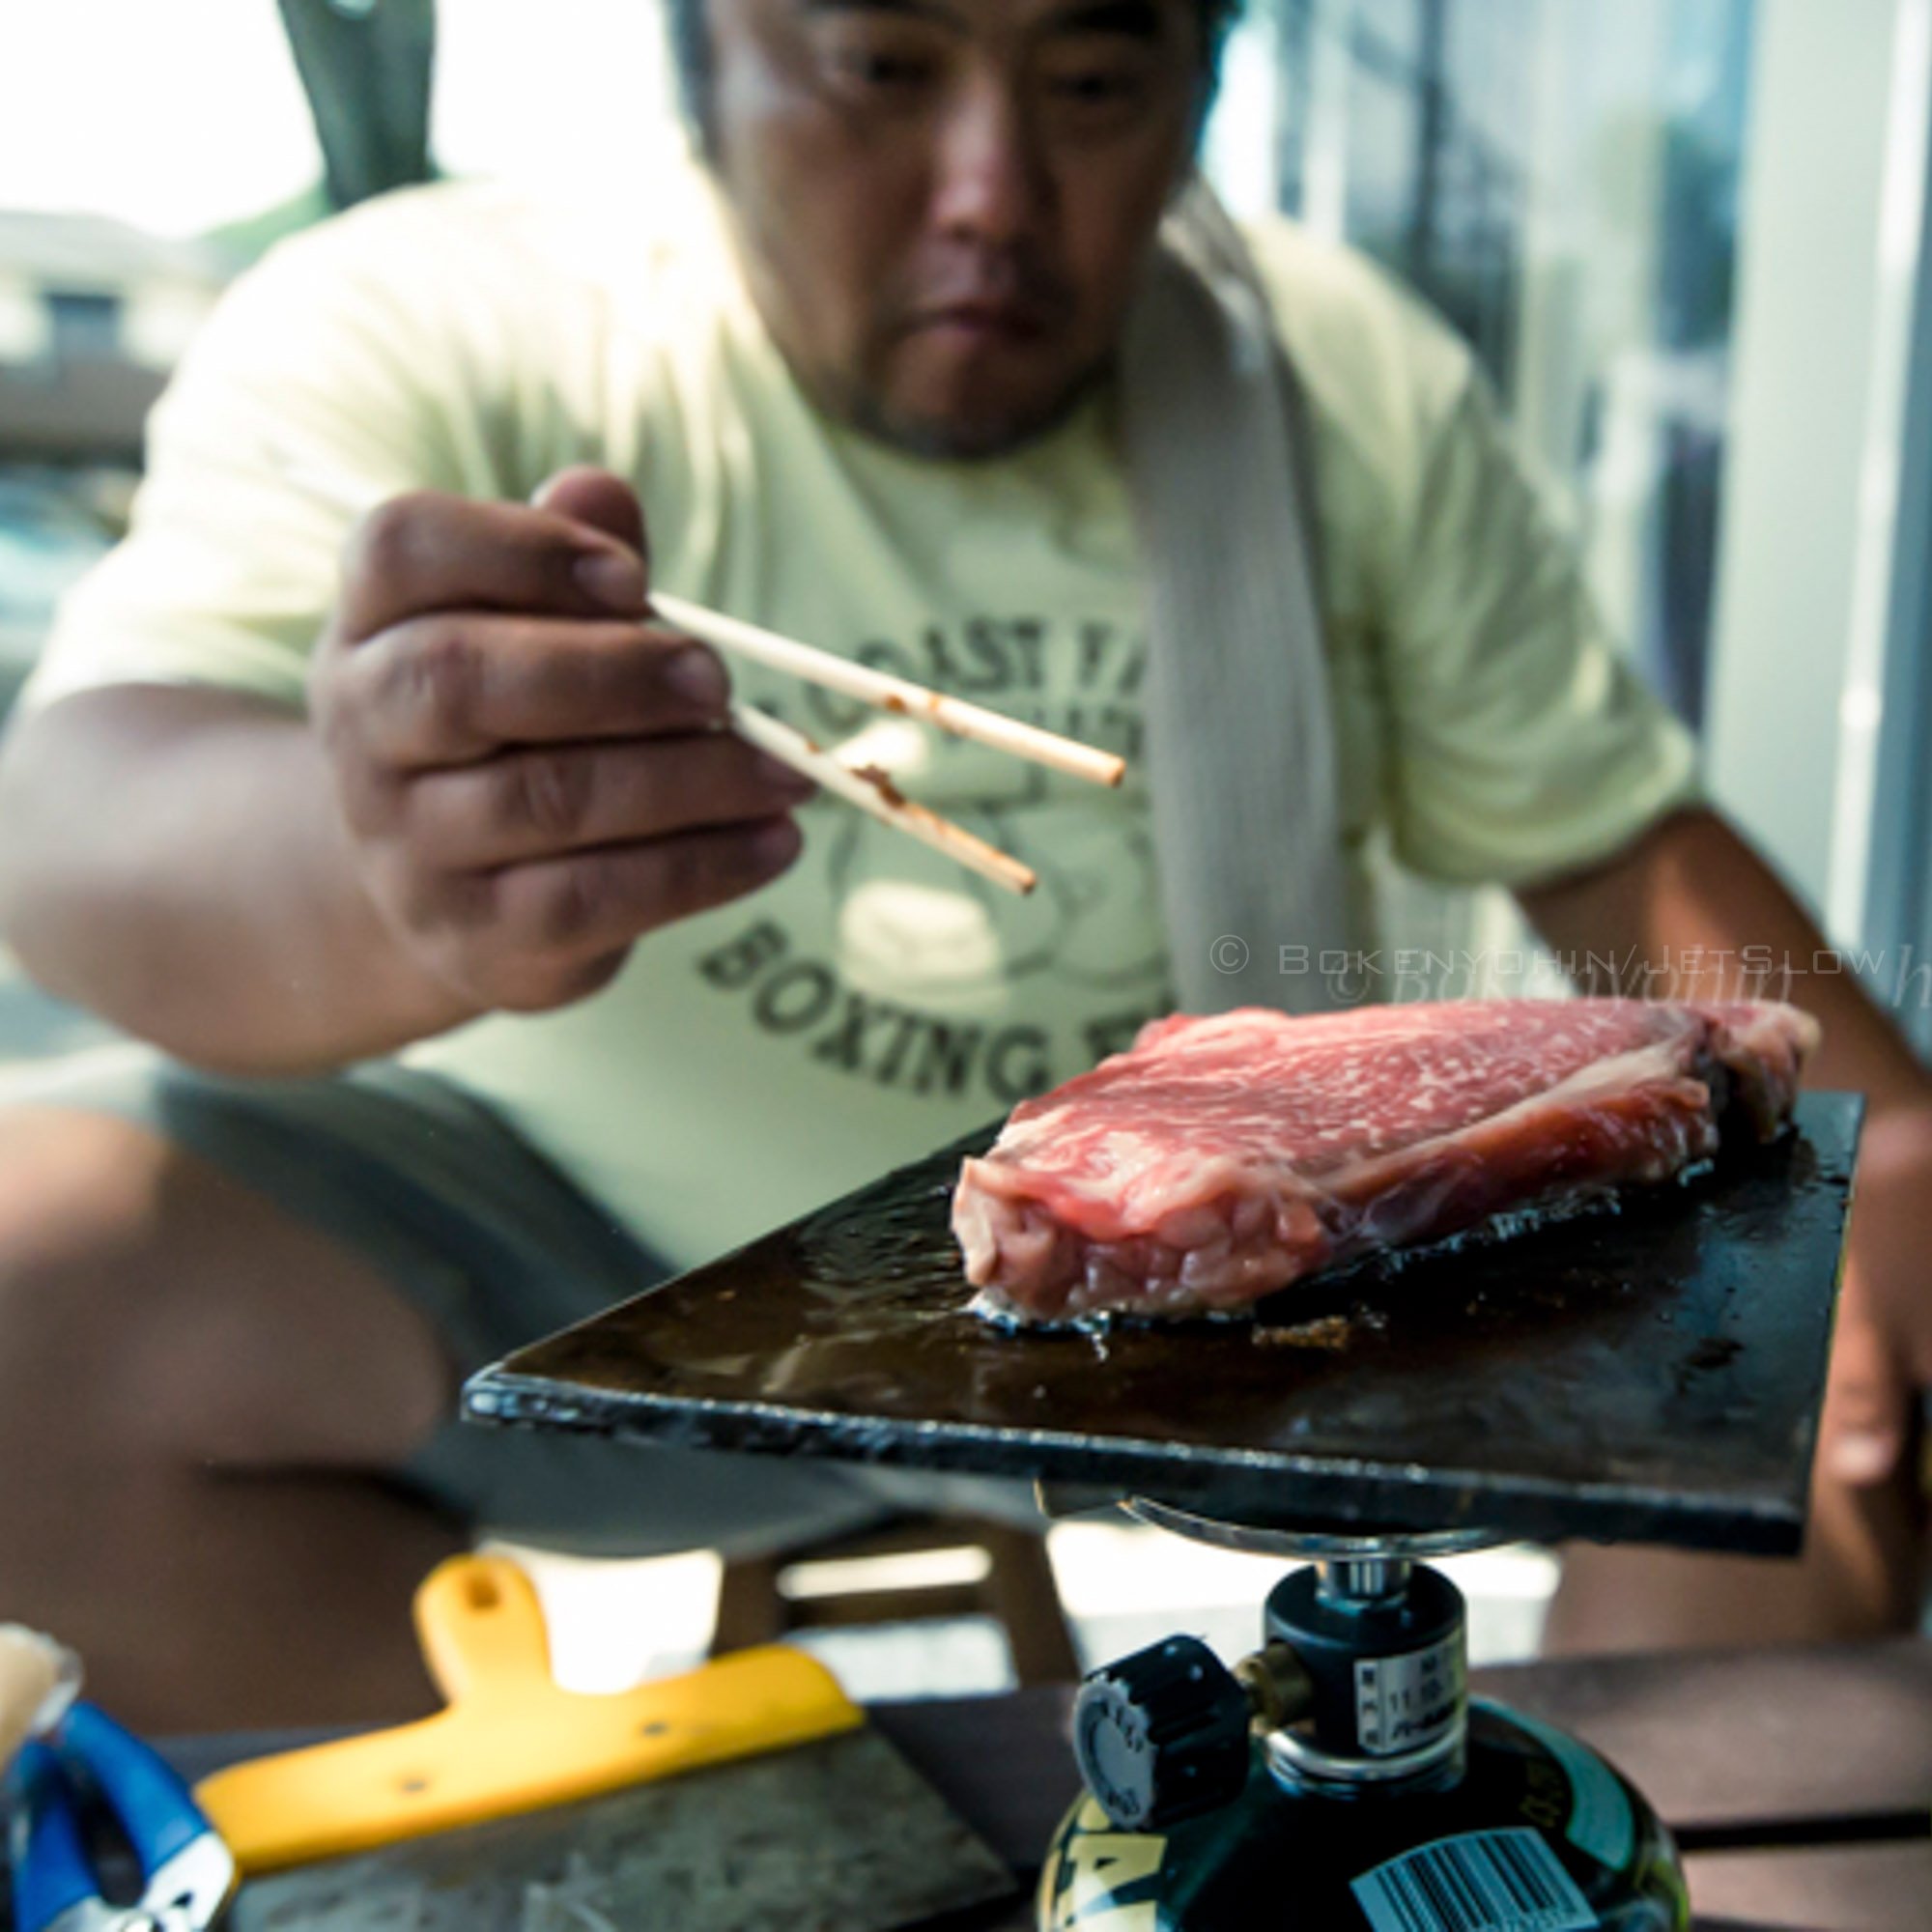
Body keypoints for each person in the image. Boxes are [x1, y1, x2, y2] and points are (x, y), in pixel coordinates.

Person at [0, 0, 1925, 1731]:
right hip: (609, 1274)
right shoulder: (453, 322)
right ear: (705, 53)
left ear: (1198, 83)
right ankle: (513, 1860)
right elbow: (77, 823)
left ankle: (1540, 1868)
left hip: (1252, 1296)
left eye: (1089, 75)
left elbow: (1624, 852)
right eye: (883, 63)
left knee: (1822, 1417)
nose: (991, 192)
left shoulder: (1336, 378)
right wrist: (381, 867)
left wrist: (1883, 1175)